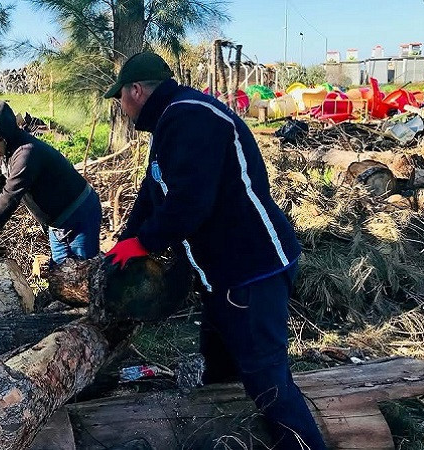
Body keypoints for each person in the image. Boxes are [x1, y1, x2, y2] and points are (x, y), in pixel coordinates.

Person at [103, 52, 327, 450]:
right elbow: (152, 194)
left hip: (250, 269)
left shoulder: (191, 116)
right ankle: (232, 436)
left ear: (136, 90)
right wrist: (127, 239)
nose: (120, 106)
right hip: (222, 275)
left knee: (266, 379)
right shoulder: (170, 124)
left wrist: (146, 242)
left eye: (120, 96)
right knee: (219, 366)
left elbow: (190, 202)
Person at [0, 101, 102, 265]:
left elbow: (10, 195)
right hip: (56, 223)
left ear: (2, 136)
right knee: (61, 272)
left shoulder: (26, 152)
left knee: (83, 273)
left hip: (80, 214)